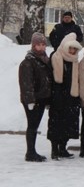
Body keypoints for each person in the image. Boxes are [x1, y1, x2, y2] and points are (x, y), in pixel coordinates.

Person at [18, 32, 52, 162]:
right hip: (33, 100)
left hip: (42, 98)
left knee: (35, 125)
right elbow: (26, 83)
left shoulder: (44, 59)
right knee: (32, 125)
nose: (42, 47)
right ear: (34, 45)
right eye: (39, 44)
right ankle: (30, 152)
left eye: (43, 44)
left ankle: (32, 151)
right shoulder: (28, 62)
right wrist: (30, 100)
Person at [48, 32, 81, 159]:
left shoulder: (75, 61)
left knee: (68, 124)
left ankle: (62, 147)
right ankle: (54, 149)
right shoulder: (56, 57)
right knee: (56, 124)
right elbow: (50, 78)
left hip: (71, 97)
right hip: (57, 97)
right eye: (71, 48)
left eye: (75, 48)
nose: (72, 51)